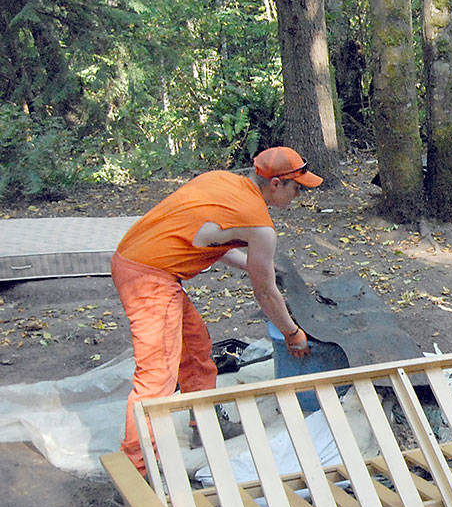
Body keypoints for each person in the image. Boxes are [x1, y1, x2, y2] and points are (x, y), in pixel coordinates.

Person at [112, 146, 323, 472]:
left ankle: (205, 427)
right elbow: (265, 293)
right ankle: (138, 474)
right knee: (156, 379)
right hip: (150, 277)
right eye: (298, 188)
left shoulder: (222, 181)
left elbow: (211, 241)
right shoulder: (259, 224)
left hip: (135, 258)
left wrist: (258, 266)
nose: (300, 196)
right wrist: (292, 334)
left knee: (196, 350)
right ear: (277, 183)